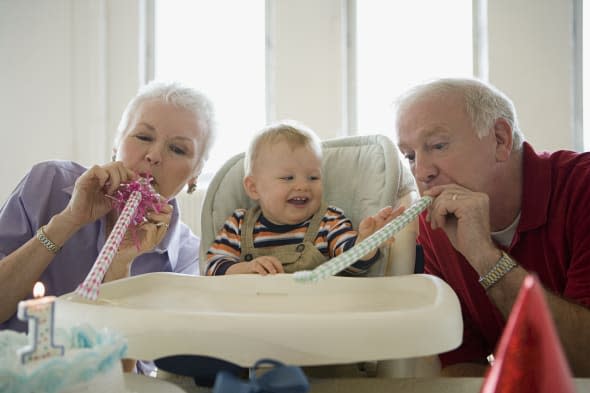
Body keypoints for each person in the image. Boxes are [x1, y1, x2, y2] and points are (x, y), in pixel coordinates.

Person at [0, 80, 215, 371]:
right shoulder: (48, 182)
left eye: (177, 149)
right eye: (142, 136)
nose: (154, 155)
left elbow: (123, 376)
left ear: (195, 174)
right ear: (116, 145)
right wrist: (67, 221)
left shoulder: (188, 260)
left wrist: (122, 261)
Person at [394, 77, 590, 377]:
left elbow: (583, 364)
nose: (421, 172)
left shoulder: (582, 189)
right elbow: (463, 363)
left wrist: (485, 258)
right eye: (410, 156)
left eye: (437, 145)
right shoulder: (433, 224)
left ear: (500, 139)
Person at [206, 120, 400, 276]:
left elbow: (350, 262)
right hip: (254, 317)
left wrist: (365, 243)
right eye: (287, 178)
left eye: (313, 177)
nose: (302, 186)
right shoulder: (238, 225)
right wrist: (246, 269)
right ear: (253, 188)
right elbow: (212, 268)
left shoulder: (328, 222)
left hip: (313, 318)